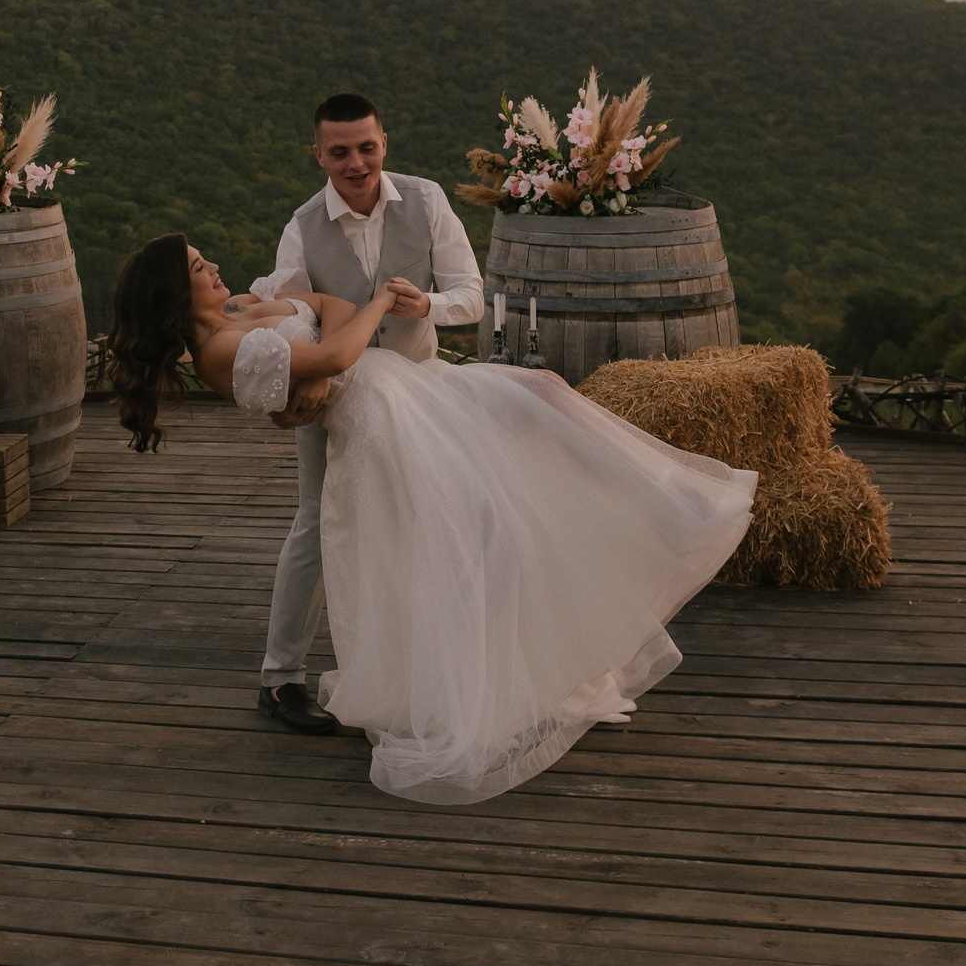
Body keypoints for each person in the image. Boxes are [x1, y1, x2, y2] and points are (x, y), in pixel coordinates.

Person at [102, 233, 757, 807]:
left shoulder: (245, 305)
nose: (212, 264)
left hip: (401, 385)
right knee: (470, 521)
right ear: (175, 294)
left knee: (544, 392)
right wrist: (371, 318)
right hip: (380, 420)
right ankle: (505, 656)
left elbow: (331, 314)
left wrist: (332, 355)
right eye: (196, 266)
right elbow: (336, 353)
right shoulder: (223, 350)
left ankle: (669, 493)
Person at [243, 93, 483, 736]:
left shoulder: (428, 200)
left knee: (434, 520)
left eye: (366, 147)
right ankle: (280, 678)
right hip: (336, 400)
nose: (356, 163)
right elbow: (292, 313)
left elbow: (472, 297)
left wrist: (425, 305)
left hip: (419, 392)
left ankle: (428, 666)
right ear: (318, 153)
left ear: (385, 143)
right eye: (340, 151)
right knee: (316, 527)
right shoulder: (301, 227)